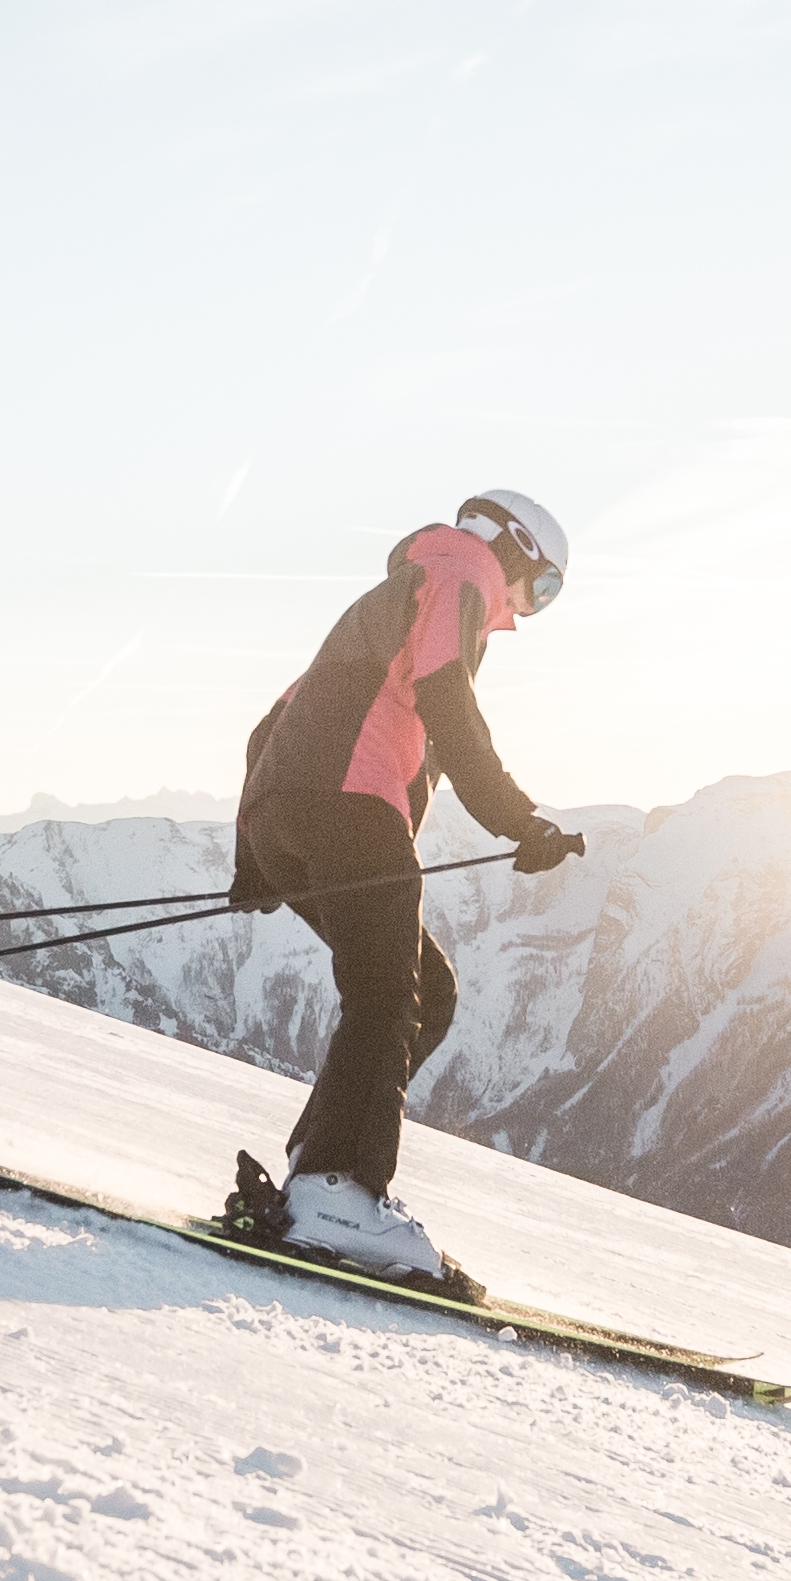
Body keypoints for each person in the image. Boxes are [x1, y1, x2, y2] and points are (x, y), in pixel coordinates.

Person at [216, 489, 585, 1289]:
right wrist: (517, 820)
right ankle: (338, 1194)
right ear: (516, 551)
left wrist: (258, 855)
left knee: (428, 991)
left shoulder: (397, 591)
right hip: (351, 803)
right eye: (544, 586)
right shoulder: (461, 574)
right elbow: (448, 698)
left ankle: (316, 1176)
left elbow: (271, 724)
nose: (526, 609)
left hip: (290, 808)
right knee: (387, 992)